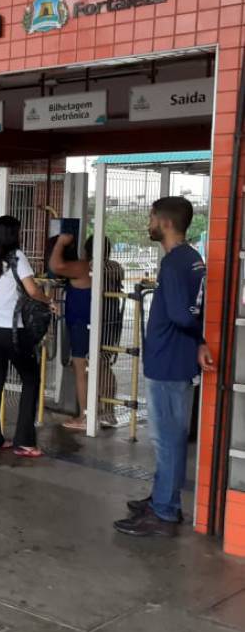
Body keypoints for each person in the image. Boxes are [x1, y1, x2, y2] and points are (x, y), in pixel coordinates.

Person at [115, 196, 214, 537]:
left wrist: (189, 328)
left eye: (152, 217)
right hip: (178, 357)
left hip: (169, 361)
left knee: (167, 439)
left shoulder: (174, 264)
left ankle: (165, 512)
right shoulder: (192, 259)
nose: (149, 223)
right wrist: (198, 337)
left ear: (166, 223)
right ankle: (161, 499)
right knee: (169, 438)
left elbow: (179, 313)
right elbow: (195, 310)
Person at [0, 215, 52, 457]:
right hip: (10, 331)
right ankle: (24, 442)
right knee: (30, 380)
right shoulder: (17, 257)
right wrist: (49, 301)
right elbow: (32, 290)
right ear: (14, 234)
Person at [48, 234, 123, 431]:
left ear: (87, 250)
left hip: (84, 324)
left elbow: (56, 266)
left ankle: (85, 416)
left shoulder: (85, 267)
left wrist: (60, 243)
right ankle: (107, 413)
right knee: (104, 366)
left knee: (82, 369)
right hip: (109, 323)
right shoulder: (114, 267)